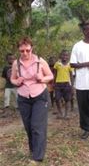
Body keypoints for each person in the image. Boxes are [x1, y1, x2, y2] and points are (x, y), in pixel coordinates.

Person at [10, 36, 53, 164]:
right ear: (19, 50)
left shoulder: (40, 61)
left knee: (37, 126)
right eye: (22, 51)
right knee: (29, 126)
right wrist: (16, 81)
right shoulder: (16, 63)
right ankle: (33, 150)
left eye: (27, 50)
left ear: (31, 48)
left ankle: (38, 157)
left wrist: (42, 78)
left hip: (40, 96)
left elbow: (50, 75)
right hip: (23, 98)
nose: (25, 53)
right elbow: (12, 78)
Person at [53, 49, 74, 119]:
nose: (65, 56)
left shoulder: (70, 65)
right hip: (58, 84)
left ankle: (66, 114)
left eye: (66, 55)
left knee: (67, 100)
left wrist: (72, 86)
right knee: (57, 99)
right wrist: (54, 83)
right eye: (63, 55)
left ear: (68, 57)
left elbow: (71, 76)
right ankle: (60, 112)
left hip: (67, 84)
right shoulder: (57, 64)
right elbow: (55, 74)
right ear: (60, 56)